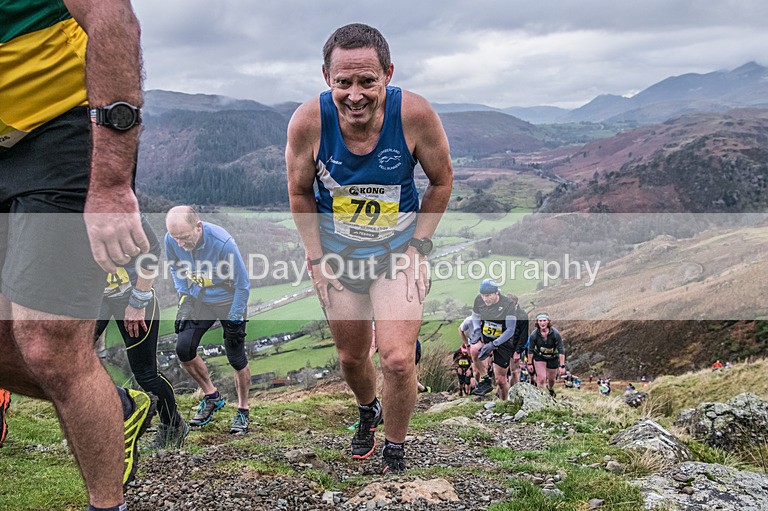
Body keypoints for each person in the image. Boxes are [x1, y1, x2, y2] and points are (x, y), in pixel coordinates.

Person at [0, 2, 152, 511]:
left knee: (49, 341)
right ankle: (115, 406)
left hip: (62, 135)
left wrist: (113, 184)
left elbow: (113, 17)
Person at [286, 23, 453, 474]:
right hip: (339, 259)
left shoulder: (414, 115)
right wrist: (316, 260)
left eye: (367, 82)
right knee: (352, 356)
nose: (355, 95)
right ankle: (367, 409)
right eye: (344, 83)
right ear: (327, 78)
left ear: (388, 74)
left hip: (396, 255)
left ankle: (394, 449)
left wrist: (419, 246)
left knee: (398, 359)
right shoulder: (307, 123)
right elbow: (300, 193)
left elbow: (441, 181)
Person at [96, 216, 189, 449]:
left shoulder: (118, 204)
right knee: (73, 362)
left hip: (134, 295)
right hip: (95, 298)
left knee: (146, 374)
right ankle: (104, 421)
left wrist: (138, 302)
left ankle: (173, 425)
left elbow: (153, 250)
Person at [165, 206, 252, 435]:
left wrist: (234, 321)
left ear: (198, 227)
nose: (180, 244)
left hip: (228, 300)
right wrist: (184, 297)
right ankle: (212, 396)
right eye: (176, 239)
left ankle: (243, 409)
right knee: (183, 349)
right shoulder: (172, 239)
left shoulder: (223, 244)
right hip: (199, 299)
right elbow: (175, 268)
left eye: (184, 238)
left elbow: (243, 286)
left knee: (236, 357)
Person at [469, 279, 518, 400]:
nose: (485, 299)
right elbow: (475, 315)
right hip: (486, 335)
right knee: (474, 349)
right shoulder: (479, 299)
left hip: (503, 340)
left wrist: (494, 344)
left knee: (500, 381)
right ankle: (485, 380)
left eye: (488, 296)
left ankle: (504, 402)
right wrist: (477, 330)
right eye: (483, 295)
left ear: (497, 293)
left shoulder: (508, 304)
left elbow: (511, 329)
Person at [527, 313, 566, 398]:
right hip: (539, 357)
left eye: (544, 320)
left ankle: (550, 388)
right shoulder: (534, 335)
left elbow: (561, 349)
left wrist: (562, 365)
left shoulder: (555, 334)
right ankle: (541, 398)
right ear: (537, 322)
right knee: (541, 379)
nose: (542, 323)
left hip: (552, 358)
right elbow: (530, 349)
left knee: (551, 379)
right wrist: (529, 363)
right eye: (540, 321)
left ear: (548, 321)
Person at [508, 294, 529, 388]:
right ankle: (501, 393)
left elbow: (523, 335)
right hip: (502, 345)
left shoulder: (522, 315)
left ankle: (514, 392)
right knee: (501, 372)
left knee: (514, 371)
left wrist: (518, 351)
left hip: (515, 346)